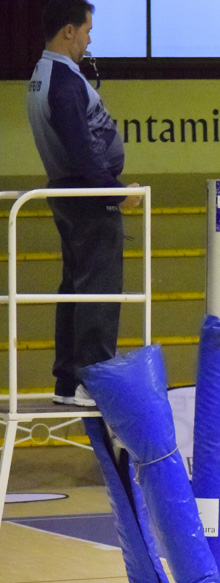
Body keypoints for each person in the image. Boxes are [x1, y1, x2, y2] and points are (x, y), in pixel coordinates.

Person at [27, 0, 144, 407]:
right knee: (98, 288)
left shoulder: (43, 76)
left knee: (74, 289)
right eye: (88, 30)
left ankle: (67, 381)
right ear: (69, 31)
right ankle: (92, 380)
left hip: (70, 193)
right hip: (87, 197)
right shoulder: (61, 80)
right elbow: (81, 149)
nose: (91, 40)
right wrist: (114, 191)